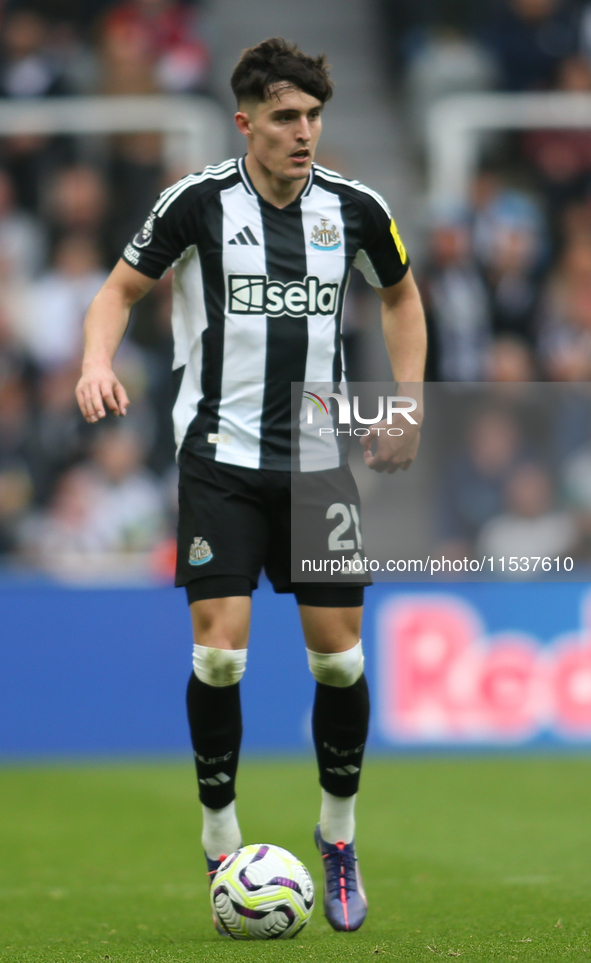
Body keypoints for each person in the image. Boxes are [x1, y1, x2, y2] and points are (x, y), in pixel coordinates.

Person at [75, 37, 427, 934]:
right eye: (285, 117)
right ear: (246, 124)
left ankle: (337, 835)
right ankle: (222, 838)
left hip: (317, 463)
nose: (304, 132)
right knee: (220, 653)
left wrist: (407, 404)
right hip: (220, 461)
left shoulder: (354, 209)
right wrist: (93, 362)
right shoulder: (195, 203)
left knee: (338, 656)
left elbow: (399, 295)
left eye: (313, 116)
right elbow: (118, 289)